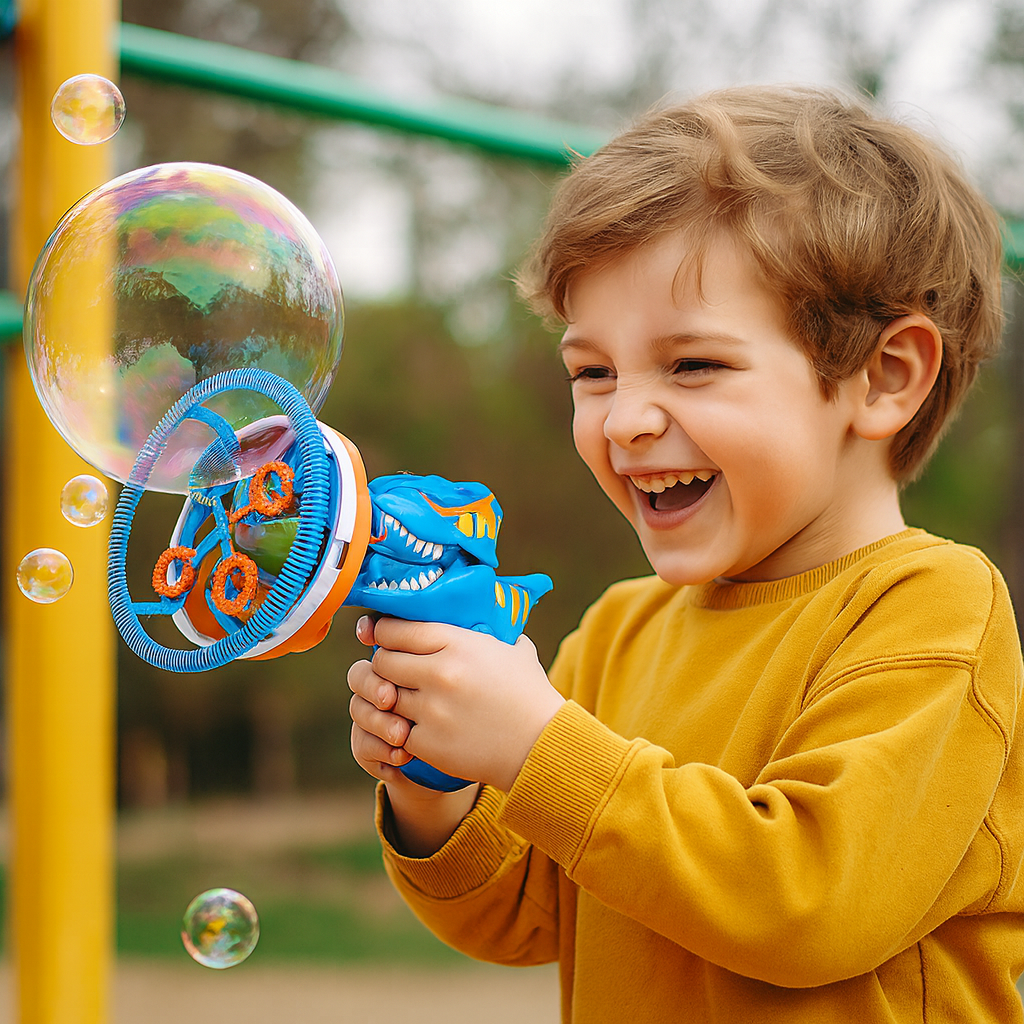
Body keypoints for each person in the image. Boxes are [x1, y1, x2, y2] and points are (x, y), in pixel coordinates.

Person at [347, 85, 1024, 1023]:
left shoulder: (930, 609)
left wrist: (538, 747)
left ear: (884, 377)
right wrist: (439, 781)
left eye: (694, 364)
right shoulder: (619, 630)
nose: (624, 418)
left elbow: (809, 904)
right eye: (593, 372)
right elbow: (520, 919)